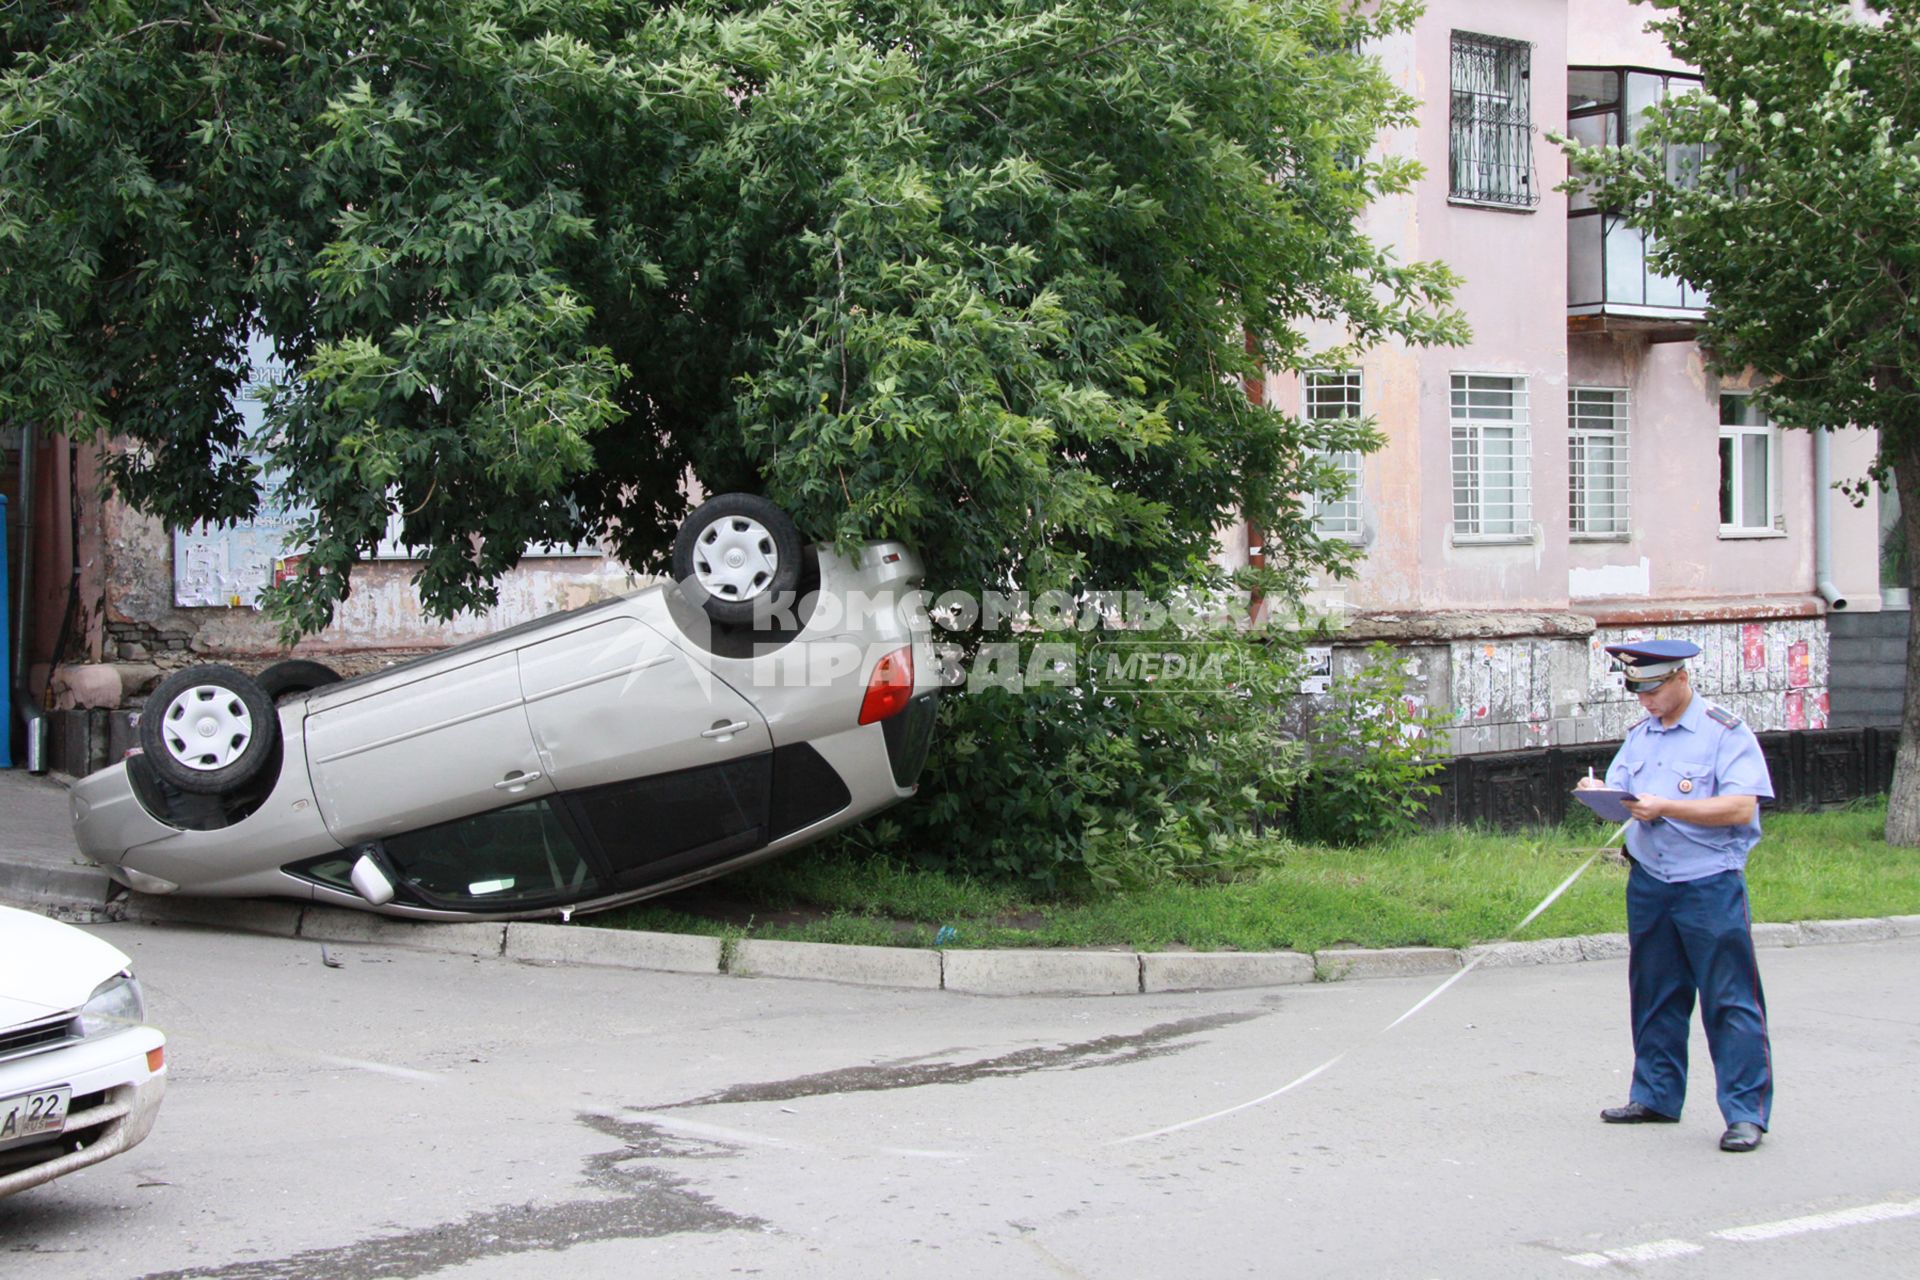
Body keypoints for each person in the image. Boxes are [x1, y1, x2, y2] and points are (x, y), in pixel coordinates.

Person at [1574, 639, 1775, 1154]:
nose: (1644, 700)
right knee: (1655, 993)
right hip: (1650, 882)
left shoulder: (1724, 732)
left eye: (1653, 689)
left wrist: (1667, 807)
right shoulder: (1642, 735)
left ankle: (1745, 1113)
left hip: (1709, 882)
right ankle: (1657, 1096)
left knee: (1729, 999)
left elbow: (1738, 807)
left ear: (1680, 678)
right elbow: (1621, 794)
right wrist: (1598, 792)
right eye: (1637, 690)